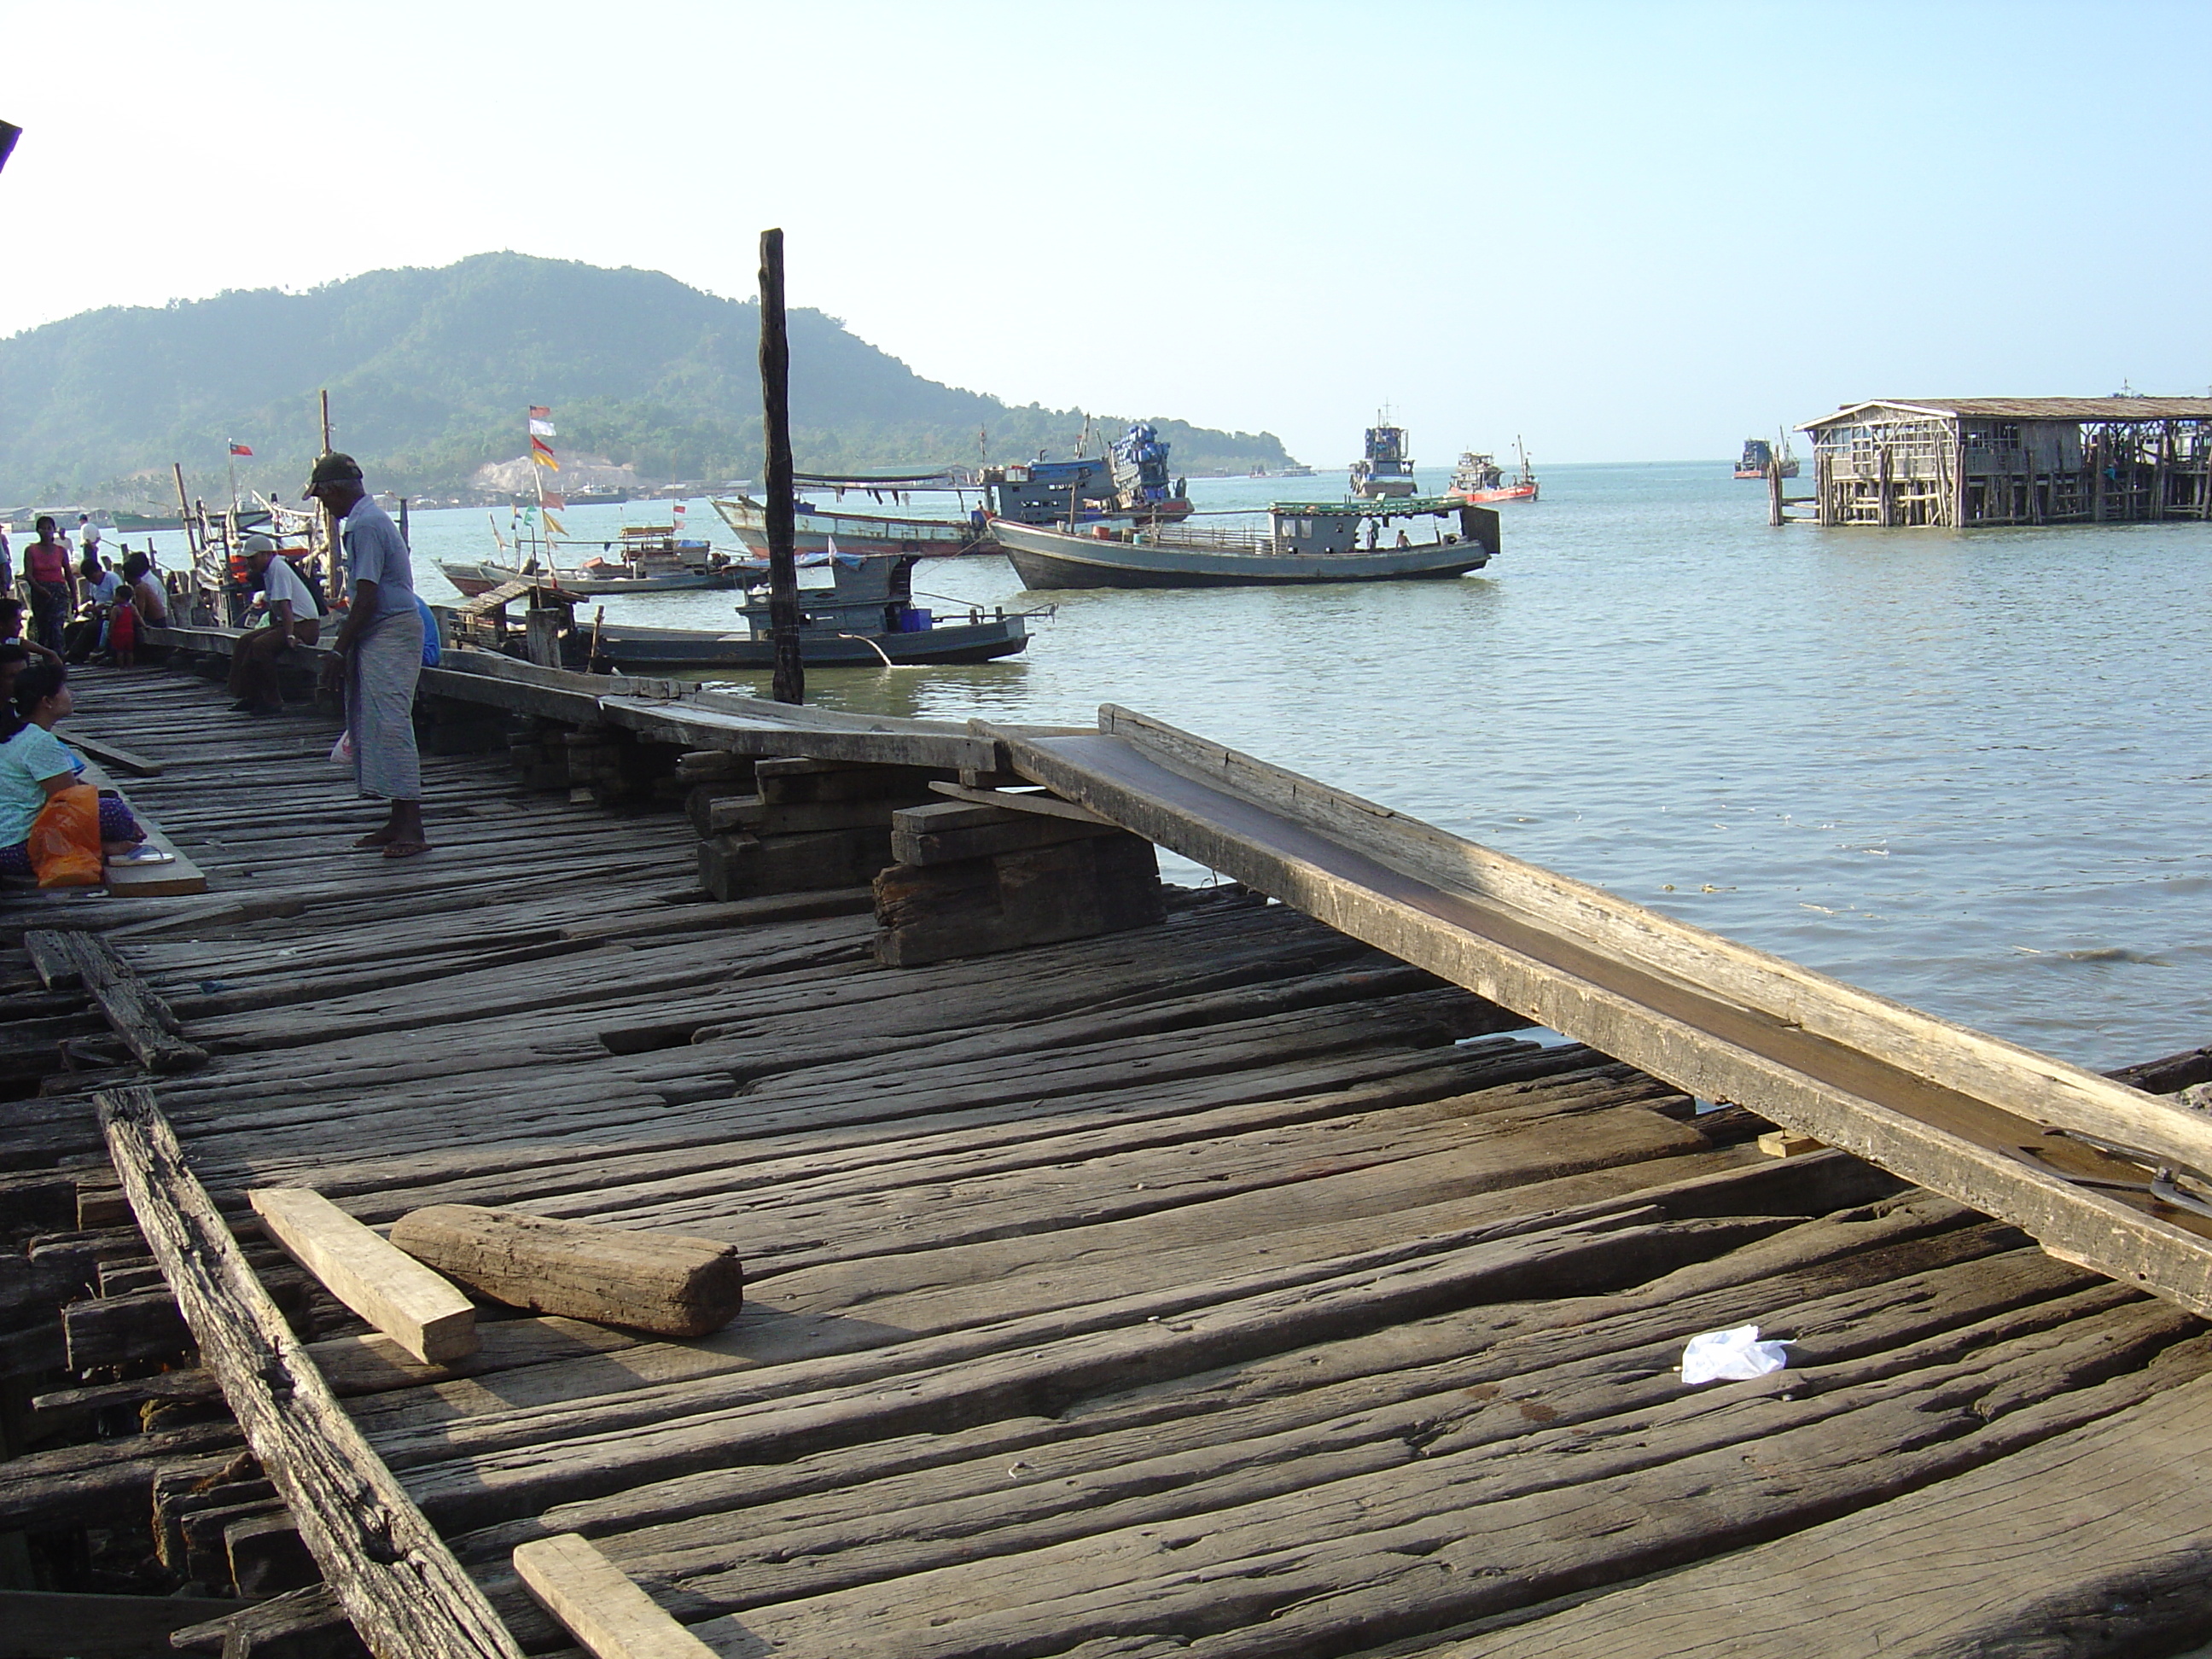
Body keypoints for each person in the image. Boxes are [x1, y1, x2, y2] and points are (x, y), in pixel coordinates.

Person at [306, 452, 428, 857]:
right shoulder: (365, 521)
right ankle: (397, 819)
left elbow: (368, 593)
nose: (325, 507)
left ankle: (413, 827)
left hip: (390, 628)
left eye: (323, 499)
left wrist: (339, 649)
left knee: (392, 723)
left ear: (335, 491)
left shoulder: (364, 525)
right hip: (381, 629)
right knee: (376, 721)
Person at [0, 661, 171, 881]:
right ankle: (108, 848)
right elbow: (73, 806)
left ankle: (108, 846)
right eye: (64, 689)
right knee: (115, 813)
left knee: (106, 803)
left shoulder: (15, 733)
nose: (70, 694)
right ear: (47, 702)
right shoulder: (39, 742)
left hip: (7, 844)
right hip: (19, 848)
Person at [228, 535, 322, 715]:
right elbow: (276, 607)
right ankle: (249, 694)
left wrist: (290, 635)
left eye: (253, 558)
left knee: (260, 646)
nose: (250, 562)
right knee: (244, 641)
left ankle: (272, 699)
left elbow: (285, 605)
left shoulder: (278, 568)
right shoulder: (269, 570)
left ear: (266, 555)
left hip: (303, 625)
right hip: (289, 623)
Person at [22, 517, 74, 652]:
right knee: (43, 627)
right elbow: (28, 574)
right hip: (40, 593)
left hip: (59, 592)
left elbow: (69, 574)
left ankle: (59, 658)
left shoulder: (60, 551)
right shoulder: (31, 550)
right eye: (43, 528)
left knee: (56, 626)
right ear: (37, 531)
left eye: (49, 528)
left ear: (53, 530)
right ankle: (46, 657)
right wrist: (40, 589)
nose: (46, 531)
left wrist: (73, 596)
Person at [64, 551, 124, 663]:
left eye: (93, 577)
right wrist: (92, 609)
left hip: (111, 618)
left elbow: (122, 600)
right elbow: (95, 601)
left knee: (90, 629)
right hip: (98, 616)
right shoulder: (93, 584)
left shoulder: (112, 578)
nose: (92, 581)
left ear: (99, 571)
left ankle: (75, 656)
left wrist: (105, 607)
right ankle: (68, 652)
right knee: (72, 628)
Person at [0, 597, 61, 669]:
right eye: (17, 623)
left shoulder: (6, 638)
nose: (21, 627)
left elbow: (22, 643)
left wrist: (51, 653)